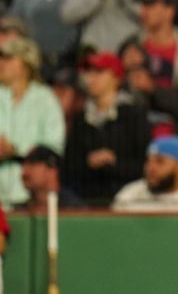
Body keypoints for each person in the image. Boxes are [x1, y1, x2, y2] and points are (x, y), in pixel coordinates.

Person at [63, 52, 150, 206]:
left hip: (128, 201)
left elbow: (144, 165)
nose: (91, 78)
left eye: (99, 72)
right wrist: (88, 162)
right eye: (89, 72)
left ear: (116, 78)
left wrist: (114, 163)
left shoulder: (133, 114)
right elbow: (69, 166)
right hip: (88, 201)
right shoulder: (80, 118)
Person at [0, 37, 65, 209]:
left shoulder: (45, 99)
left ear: (26, 65)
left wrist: (15, 149)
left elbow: (54, 146)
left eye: (8, 58)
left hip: (29, 195)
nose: (2, 63)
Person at [20, 145, 84, 209]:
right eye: (23, 164)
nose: (24, 171)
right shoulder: (21, 211)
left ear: (52, 170)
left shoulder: (73, 209)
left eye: (32, 164)